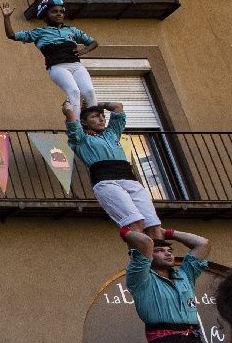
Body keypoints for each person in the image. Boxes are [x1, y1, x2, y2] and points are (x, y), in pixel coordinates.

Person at [67, 100, 163, 240]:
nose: (101, 119)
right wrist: (73, 104)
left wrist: (96, 103)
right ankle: (140, 259)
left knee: (154, 226)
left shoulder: (111, 134)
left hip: (130, 179)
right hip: (106, 181)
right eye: (95, 116)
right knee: (135, 222)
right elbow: (69, 113)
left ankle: (158, 257)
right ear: (83, 122)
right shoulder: (80, 139)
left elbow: (117, 107)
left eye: (102, 116)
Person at [1, 0, 97, 109]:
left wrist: (85, 50)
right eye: (54, 11)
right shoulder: (38, 32)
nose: (59, 14)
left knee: (89, 91)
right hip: (57, 67)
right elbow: (11, 35)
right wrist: (6, 18)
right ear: (45, 15)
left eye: (61, 11)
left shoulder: (72, 30)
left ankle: (94, 118)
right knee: (74, 91)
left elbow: (93, 43)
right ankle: (76, 123)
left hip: (77, 65)